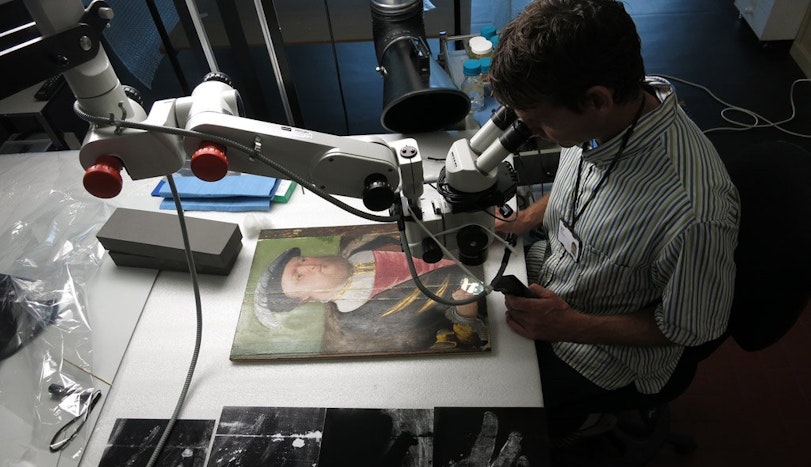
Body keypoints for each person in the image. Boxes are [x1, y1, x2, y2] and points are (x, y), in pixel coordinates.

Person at [489, 0, 740, 437]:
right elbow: (594, 186)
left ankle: (588, 419)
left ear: (597, 99)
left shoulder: (695, 214)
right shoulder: (601, 121)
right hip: (554, 272)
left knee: (496, 399)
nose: (535, 134)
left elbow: (689, 328)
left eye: (541, 124)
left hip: (603, 348)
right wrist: (530, 216)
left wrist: (569, 325)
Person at [253, 231, 489, 354]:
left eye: (301, 260)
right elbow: (458, 344)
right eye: (299, 276)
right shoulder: (359, 327)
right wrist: (466, 312)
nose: (308, 265)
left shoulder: (360, 240)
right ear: (303, 298)